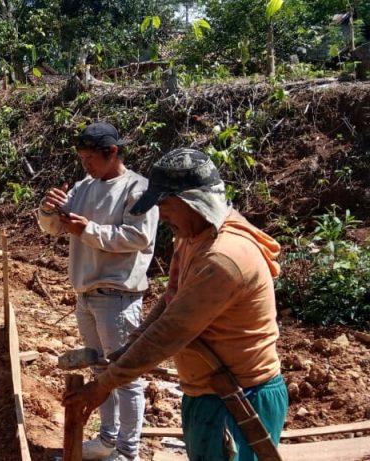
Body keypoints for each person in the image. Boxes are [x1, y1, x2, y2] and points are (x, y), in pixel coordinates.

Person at [64, 148, 286, 461]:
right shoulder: (192, 236)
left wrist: (104, 384)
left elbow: (171, 331)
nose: (161, 214)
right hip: (206, 393)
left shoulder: (224, 258)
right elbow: (171, 300)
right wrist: (128, 347)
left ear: (191, 201)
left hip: (240, 397)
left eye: (164, 205)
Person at [38, 122, 158, 461]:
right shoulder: (84, 186)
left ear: (113, 152)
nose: (86, 165)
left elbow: (138, 237)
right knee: (100, 373)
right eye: (82, 158)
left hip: (118, 296)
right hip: (87, 294)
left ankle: (127, 451)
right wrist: (48, 210)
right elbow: (51, 228)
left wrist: (88, 230)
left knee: (126, 376)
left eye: (91, 158)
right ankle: (106, 441)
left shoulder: (137, 189)